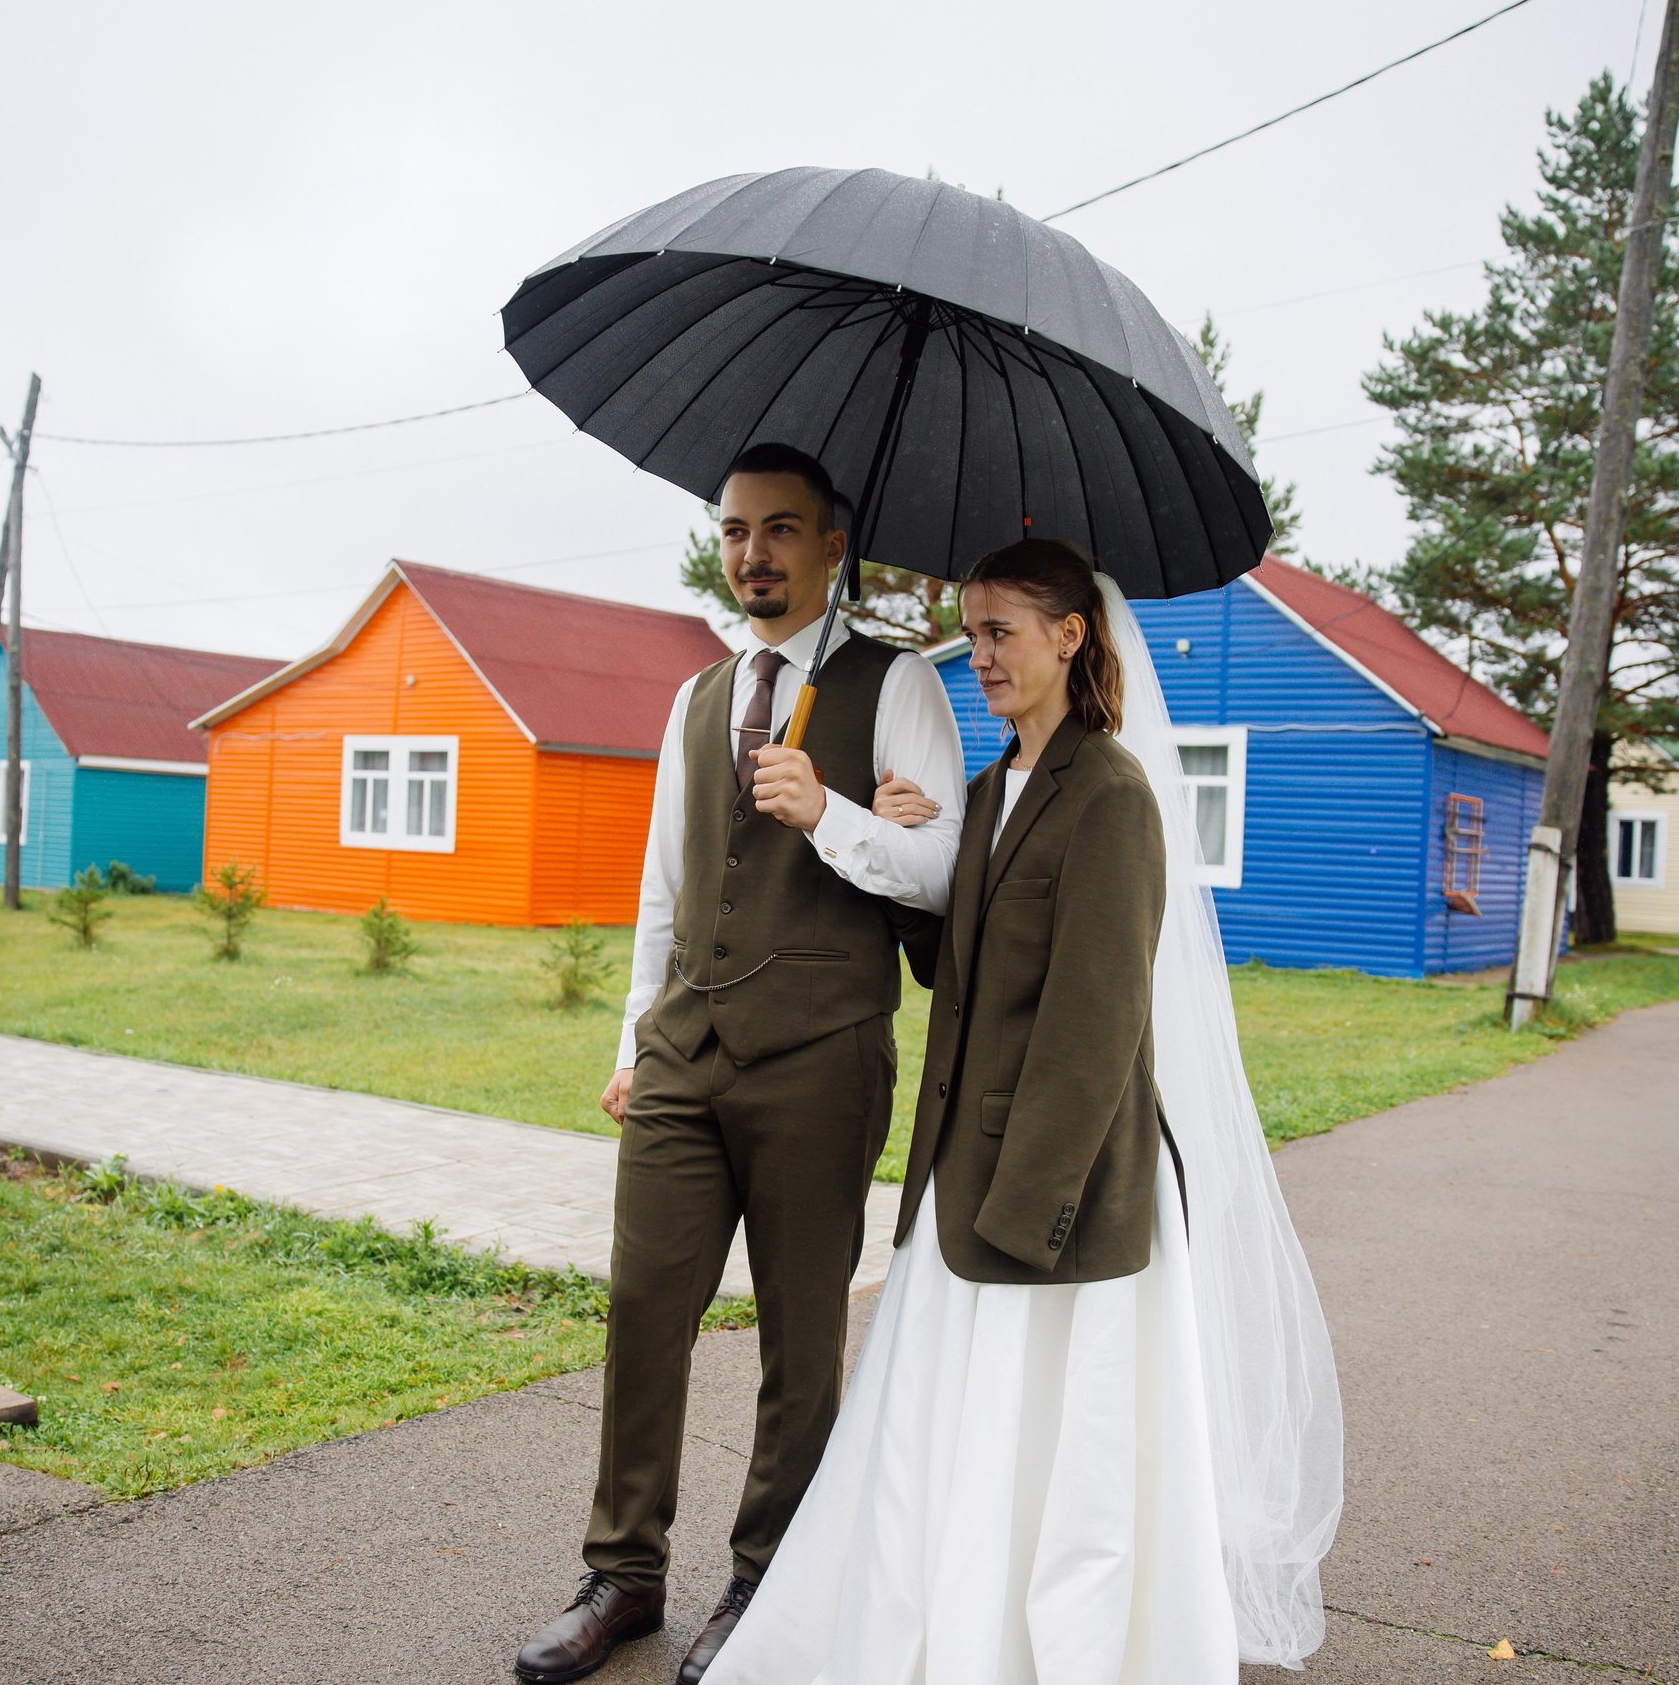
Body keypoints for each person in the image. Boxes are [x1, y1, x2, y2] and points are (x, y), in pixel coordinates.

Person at [701, 538, 1345, 1684]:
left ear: (1070, 635)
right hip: (959, 1172)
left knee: (1053, 1451)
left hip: (1057, 1197)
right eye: (971, 632)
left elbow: (1096, 1026)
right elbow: (955, 973)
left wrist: (1026, 1213)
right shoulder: (992, 789)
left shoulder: (1112, 795)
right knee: (945, 1437)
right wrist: (901, 850)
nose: (981, 655)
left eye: (1000, 632)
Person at [515, 443, 967, 1685]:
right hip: (683, 1048)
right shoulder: (699, 696)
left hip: (819, 1056)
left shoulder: (898, 684)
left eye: (780, 529)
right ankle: (623, 1576)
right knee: (641, 1309)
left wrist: (830, 812)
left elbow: (944, 873)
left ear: (833, 545)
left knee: (799, 1338)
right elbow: (663, 884)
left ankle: (769, 1582)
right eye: (733, 530)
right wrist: (632, 1043)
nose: (752, 553)